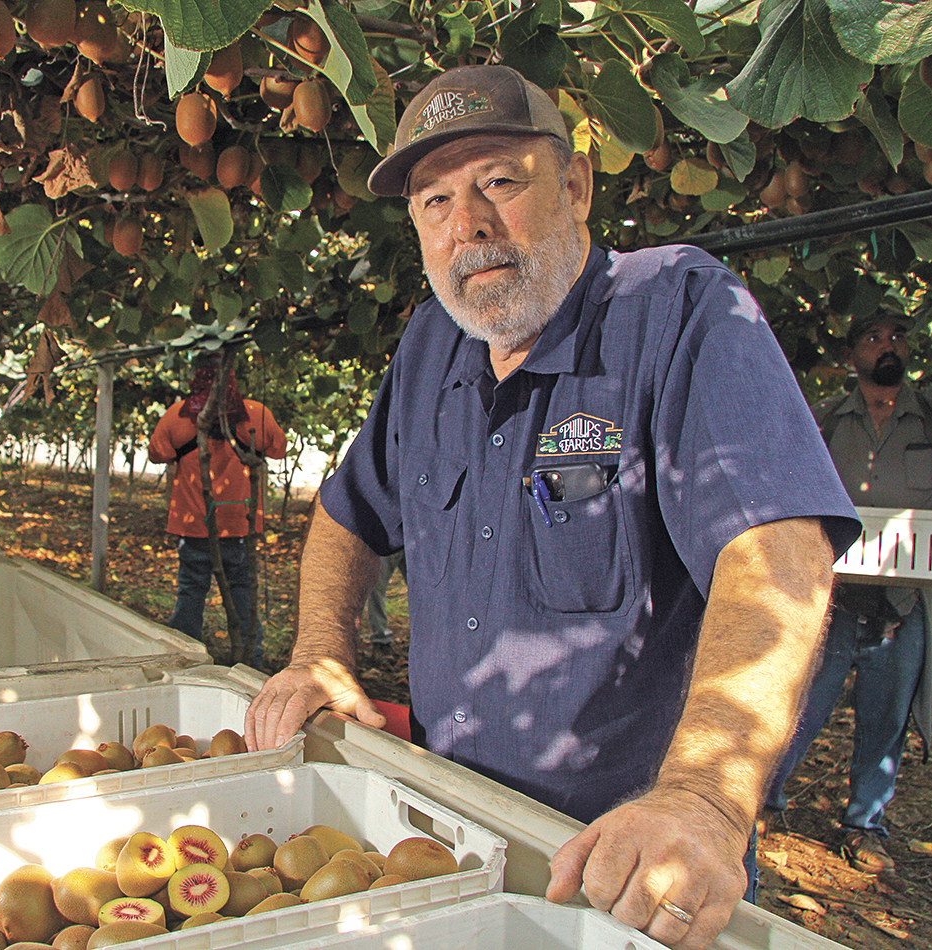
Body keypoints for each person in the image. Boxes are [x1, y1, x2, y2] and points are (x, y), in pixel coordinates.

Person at [243, 64, 861, 950]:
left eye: (499, 182)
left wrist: (703, 799)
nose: (471, 228)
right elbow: (348, 513)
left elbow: (777, 549)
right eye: (435, 202)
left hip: (626, 869)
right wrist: (319, 653)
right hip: (448, 834)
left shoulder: (675, 306)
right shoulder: (429, 345)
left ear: (574, 185)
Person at [764, 311, 930, 875]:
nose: (888, 346)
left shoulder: (927, 419)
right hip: (832, 599)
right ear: (853, 353)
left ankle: (864, 825)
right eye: (873, 337)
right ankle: (763, 801)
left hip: (905, 607)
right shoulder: (827, 420)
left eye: (897, 337)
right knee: (801, 704)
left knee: (887, 721)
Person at [149, 356, 285, 668]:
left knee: (191, 590)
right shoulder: (256, 414)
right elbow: (279, 449)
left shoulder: (176, 416)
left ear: (195, 380)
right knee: (242, 591)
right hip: (240, 525)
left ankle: (184, 658)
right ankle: (251, 661)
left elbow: (158, 453)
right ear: (230, 380)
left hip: (194, 524)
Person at [365, 551, 406, 646]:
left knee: (422, 590)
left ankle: (428, 635)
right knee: (376, 588)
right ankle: (381, 639)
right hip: (386, 543)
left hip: (413, 540)